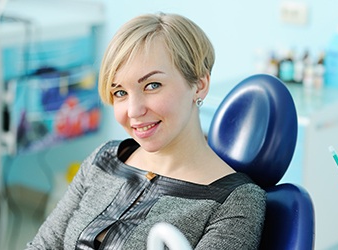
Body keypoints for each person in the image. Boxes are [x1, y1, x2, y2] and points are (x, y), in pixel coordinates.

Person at [26, 13, 266, 250]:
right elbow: (42, 246)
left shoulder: (233, 201)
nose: (134, 111)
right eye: (120, 92)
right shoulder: (104, 160)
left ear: (199, 85)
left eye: (152, 86)